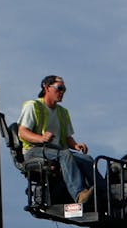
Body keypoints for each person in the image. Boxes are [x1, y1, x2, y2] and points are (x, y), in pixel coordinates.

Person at [18, 75, 96, 206]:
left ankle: (101, 193)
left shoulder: (62, 112)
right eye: (59, 88)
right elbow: (22, 132)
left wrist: (76, 145)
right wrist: (41, 138)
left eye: (64, 89)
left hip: (55, 151)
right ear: (47, 87)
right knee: (65, 154)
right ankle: (79, 194)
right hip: (33, 151)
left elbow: (67, 138)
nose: (62, 92)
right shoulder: (33, 106)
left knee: (87, 159)